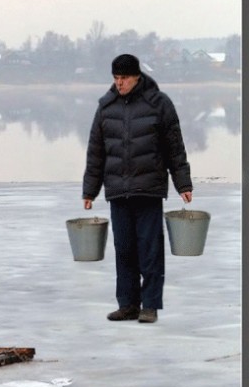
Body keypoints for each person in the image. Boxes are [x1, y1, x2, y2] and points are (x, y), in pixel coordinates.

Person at [82, 54, 193, 324]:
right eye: (116, 78)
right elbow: (96, 152)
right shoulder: (105, 107)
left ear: (136, 77)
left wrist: (183, 183)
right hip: (118, 189)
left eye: (124, 78)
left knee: (150, 249)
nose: (119, 84)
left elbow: (174, 147)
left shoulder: (159, 104)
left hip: (149, 188)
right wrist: (89, 190)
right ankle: (128, 304)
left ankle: (150, 305)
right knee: (124, 249)